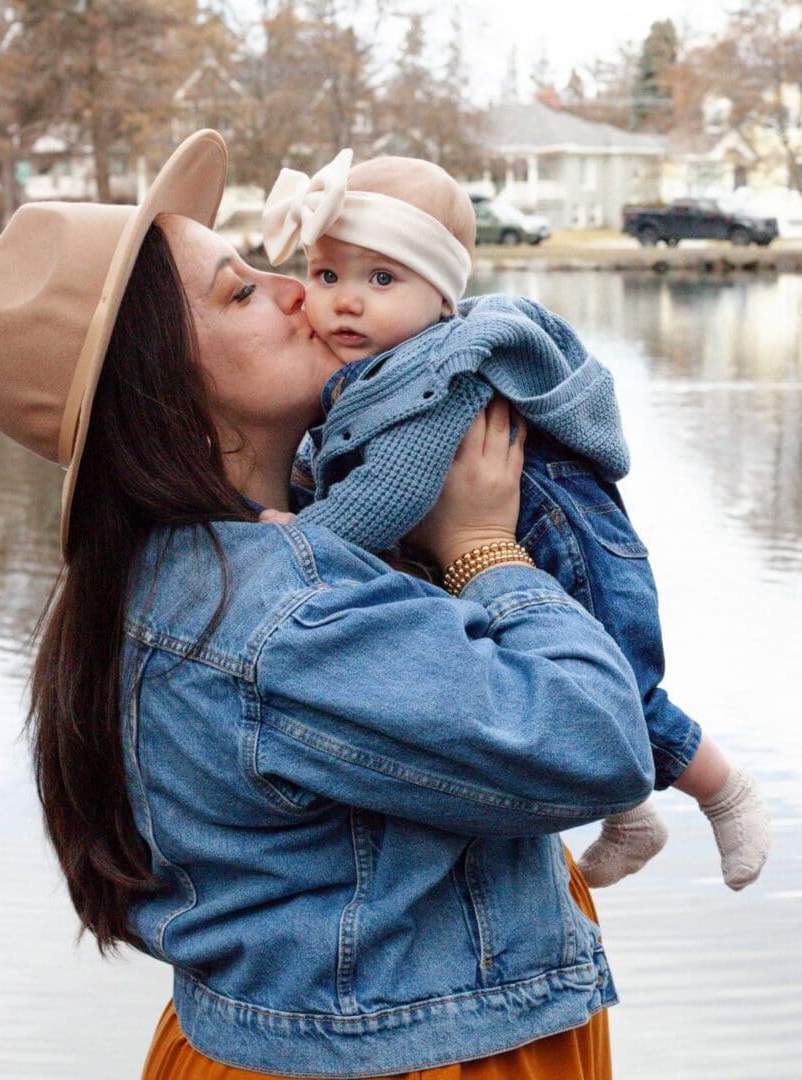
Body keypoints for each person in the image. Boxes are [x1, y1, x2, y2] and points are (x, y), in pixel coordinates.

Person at [0, 130, 654, 1079]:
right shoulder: (280, 613)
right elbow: (599, 744)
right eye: (241, 292)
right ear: (161, 384)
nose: (299, 290)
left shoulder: (216, 556)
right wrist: (483, 550)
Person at [261, 149, 770, 892]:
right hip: (506, 542)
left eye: (382, 279)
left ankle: (726, 791)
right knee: (548, 685)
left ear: (442, 297)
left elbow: (392, 494)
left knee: (620, 691)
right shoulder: (379, 366)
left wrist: (301, 540)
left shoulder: (444, 367)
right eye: (327, 275)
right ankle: (631, 814)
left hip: (561, 537)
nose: (346, 302)